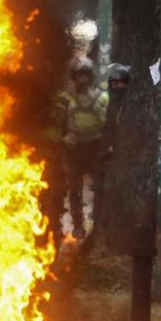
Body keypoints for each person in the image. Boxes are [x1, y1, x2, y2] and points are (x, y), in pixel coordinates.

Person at [59, 57, 109, 238]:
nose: (82, 80)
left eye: (85, 75)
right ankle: (78, 225)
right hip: (75, 150)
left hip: (95, 149)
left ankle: (98, 223)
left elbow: (108, 125)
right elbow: (61, 123)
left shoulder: (101, 99)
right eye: (79, 75)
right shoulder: (67, 100)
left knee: (100, 187)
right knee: (74, 189)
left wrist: (107, 146)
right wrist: (65, 137)